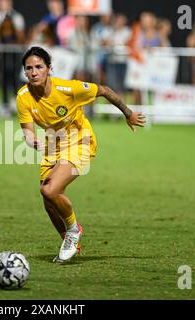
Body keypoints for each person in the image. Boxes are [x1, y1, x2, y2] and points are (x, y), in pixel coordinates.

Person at [16, 46, 145, 263]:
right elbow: (27, 131)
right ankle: (69, 241)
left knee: (49, 189)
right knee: (48, 201)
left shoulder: (68, 89)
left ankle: (74, 231)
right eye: (29, 68)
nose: (34, 72)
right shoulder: (23, 97)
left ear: (49, 69)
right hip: (53, 147)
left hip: (81, 142)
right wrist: (32, 141)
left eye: (39, 67)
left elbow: (103, 90)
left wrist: (128, 113)